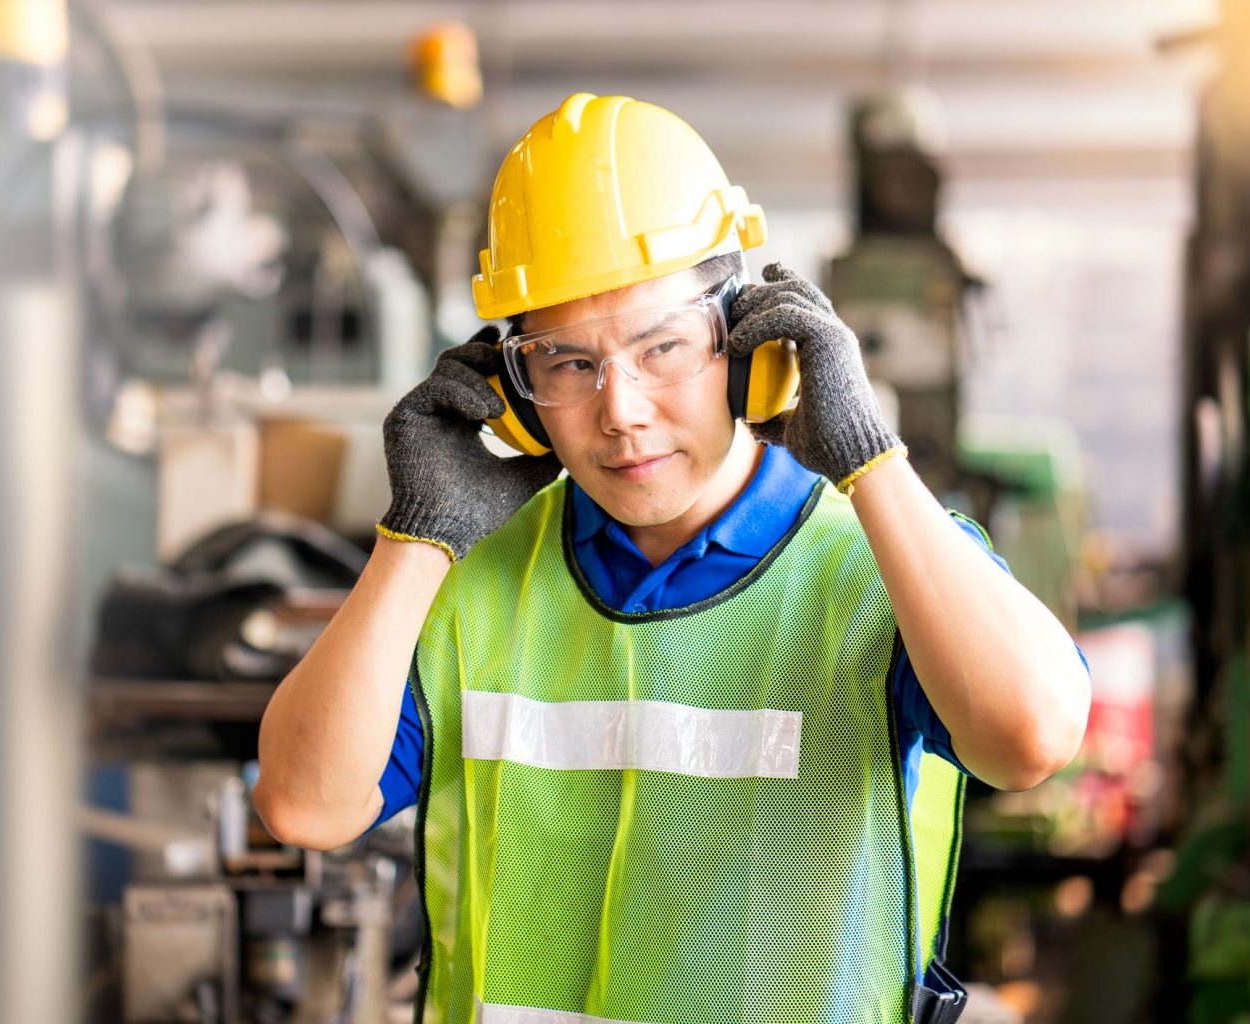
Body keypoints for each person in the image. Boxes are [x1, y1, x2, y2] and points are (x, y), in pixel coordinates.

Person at [255, 92, 1091, 1024]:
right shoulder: (468, 586)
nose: (621, 410)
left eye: (663, 347)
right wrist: (414, 540)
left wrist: (870, 459)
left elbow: (1031, 740)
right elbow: (303, 806)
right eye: (567, 364)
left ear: (746, 346)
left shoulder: (881, 568)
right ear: (516, 391)